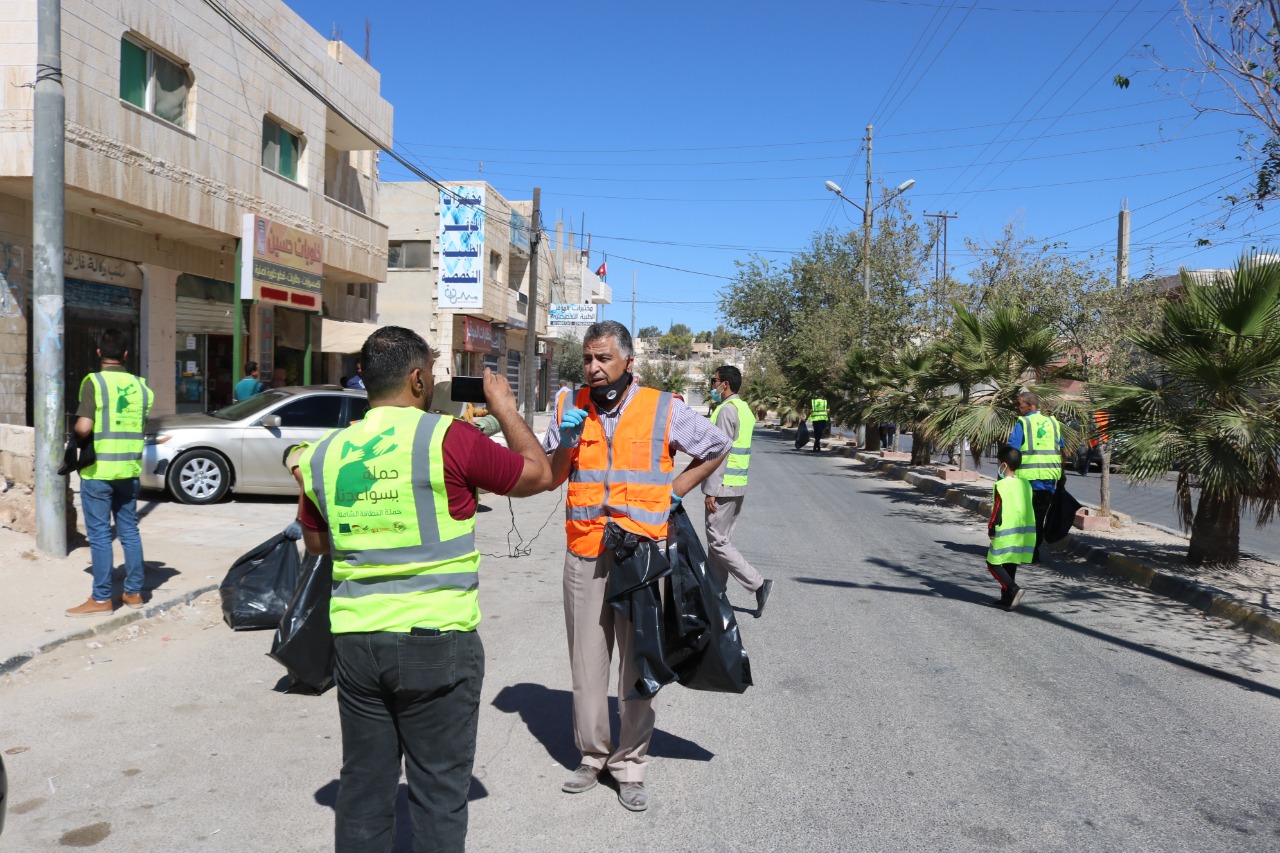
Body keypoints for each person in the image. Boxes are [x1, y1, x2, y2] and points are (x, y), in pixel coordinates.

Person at [295, 326, 552, 852]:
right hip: (437, 641)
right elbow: (537, 474)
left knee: (364, 789)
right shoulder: (448, 438)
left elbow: (317, 544)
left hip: (356, 642)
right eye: (431, 374)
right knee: (438, 795)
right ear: (417, 378)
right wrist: (503, 406)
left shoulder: (324, 454)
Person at [542, 320, 731, 812]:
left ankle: (629, 765)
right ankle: (592, 756)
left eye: (603, 358)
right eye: (587, 359)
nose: (594, 368)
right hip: (585, 549)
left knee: (637, 661)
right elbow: (551, 474)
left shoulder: (663, 407)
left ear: (629, 361)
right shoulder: (569, 405)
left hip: (642, 552)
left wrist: (678, 488)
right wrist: (564, 442)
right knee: (587, 661)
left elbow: (715, 444)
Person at [67, 329, 154, 617]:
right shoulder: (142, 387)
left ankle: (102, 598)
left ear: (99, 353)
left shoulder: (94, 382)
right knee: (129, 530)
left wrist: (75, 441)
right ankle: (133, 593)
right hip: (129, 470)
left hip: (99, 471)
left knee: (101, 535)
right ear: (126, 354)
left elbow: (83, 427)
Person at [702, 365, 773, 617]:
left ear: (726, 384)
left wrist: (711, 490)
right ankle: (715, 595)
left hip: (723, 486)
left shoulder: (726, 410)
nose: (712, 386)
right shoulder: (744, 409)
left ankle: (758, 583)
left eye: (714, 381)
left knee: (717, 540)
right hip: (738, 484)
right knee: (720, 542)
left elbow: (719, 454)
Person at [1006, 389, 1069, 564]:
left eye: (1020, 404)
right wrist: (1062, 475)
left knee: (1022, 517)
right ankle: (1033, 553)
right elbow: (1062, 451)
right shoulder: (1053, 423)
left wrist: (1006, 475)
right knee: (1038, 517)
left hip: (1027, 480)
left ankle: (1021, 552)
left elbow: (1013, 450)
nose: (1018, 408)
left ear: (1030, 405)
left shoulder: (1024, 423)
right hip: (1048, 480)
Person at [986, 446, 1035, 610]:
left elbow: (997, 510)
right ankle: (1006, 598)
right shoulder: (1025, 484)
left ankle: (1013, 589)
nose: (998, 465)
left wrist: (991, 528)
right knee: (1010, 562)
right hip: (1021, 531)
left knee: (993, 563)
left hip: (1004, 531)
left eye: (998, 462)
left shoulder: (1001, 485)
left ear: (1004, 465)